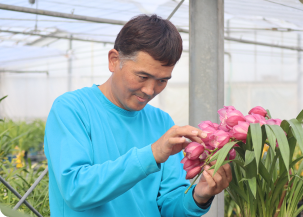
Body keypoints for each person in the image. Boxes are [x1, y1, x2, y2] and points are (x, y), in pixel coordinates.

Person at [44, 14, 232, 217]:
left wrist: (198, 196)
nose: (150, 90)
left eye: (162, 81)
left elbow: (169, 206)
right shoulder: (72, 109)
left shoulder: (161, 122)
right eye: (142, 77)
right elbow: (76, 191)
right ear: (114, 60)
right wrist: (151, 155)